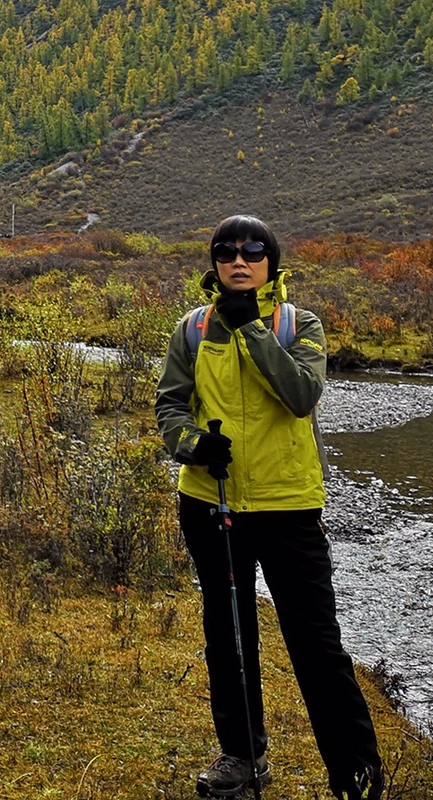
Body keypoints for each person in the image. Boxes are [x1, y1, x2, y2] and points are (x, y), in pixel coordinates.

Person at [154, 215, 382, 800]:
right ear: (213, 263)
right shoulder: (192, 328)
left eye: (253, 250)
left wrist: (252, 328)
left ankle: (355, 769)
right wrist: (192, 447)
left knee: (316, 642)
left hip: (288, 506)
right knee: (228, 636)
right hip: (211, 502)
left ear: (271, 264)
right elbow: (170, 409)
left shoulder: (296, 323)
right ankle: (243, 757)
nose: (239, 259)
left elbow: (301, 394)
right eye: (225, 251)